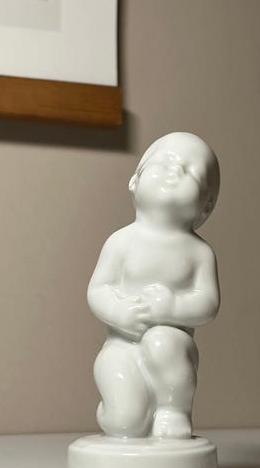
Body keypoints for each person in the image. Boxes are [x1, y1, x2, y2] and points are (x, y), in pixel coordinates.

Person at [87, 132, 220, 439]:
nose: (175, 171)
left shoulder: (199, 253)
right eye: (165, 162)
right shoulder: (121, 242)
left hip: (173, 347)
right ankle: (121, 416)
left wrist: (173, 306)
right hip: (122, 346)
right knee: (125, 422)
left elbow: (208, 303)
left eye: (191, 172)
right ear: (135, 181)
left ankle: (173, 411)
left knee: (162, 341)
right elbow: (97, 290)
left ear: (206, 206)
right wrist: (119, 312)